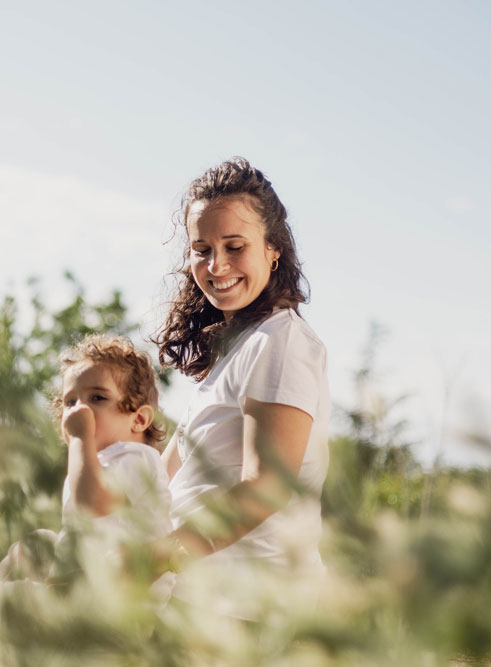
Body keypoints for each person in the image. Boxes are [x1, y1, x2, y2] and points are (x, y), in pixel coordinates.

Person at [153, 157, 330, 610]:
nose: (217, 265)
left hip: (251, 612)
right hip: (203, 603)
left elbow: (267, 484)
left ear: (273, 249)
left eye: (235, 246)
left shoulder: (281, 342)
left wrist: (160, 557)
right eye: (202, 249)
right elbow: (161, 475)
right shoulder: (237, 350)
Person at [0, 334, 172, 580]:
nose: (80, 409)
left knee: (15, 596)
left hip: (117, 596)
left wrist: (80, 437)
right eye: (70, 402)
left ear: (139, 419)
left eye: (97, 398)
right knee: (37, 542)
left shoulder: (136, 459)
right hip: (80, 580)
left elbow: (90, 506)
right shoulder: (102, 461)